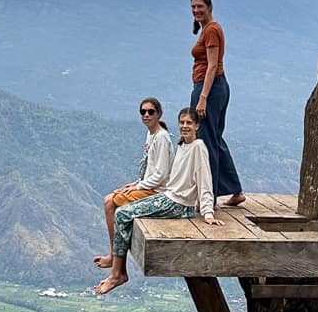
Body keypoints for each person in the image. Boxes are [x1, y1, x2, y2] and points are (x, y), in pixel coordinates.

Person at [95, 107, 223, 295]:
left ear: (197, 125)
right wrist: (140, 184)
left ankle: (117, 274)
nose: (185, 126)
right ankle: (117, 267)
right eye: (182, 122)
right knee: (124, 209)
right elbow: (175, 178)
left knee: (122, 214)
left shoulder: (198, 147)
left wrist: (207, 213)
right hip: (169, 197)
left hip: (178, 205)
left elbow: (205, 181)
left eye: (189, 123)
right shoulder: (183, 145)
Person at [93, 97, 174, 269]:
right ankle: (113, 254)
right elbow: (149, 169)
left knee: (110, 203)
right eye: (143, 112)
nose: (146, 115)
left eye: (150, 112)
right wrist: (136, 183)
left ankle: (114, 257)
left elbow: (161, 175)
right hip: (148, 186)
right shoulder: (151, 134)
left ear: (158, 114)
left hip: (157, 192)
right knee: (109, 199)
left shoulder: (161, 138)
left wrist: (138, 186)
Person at [189, 0, 245, 206]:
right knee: (215, 138)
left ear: (209, 7)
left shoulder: (212, 30)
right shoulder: (208, 29)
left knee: (206, 140)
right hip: (215, 88)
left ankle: (209, 197)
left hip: (209, 89)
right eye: (193, 7)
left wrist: (202, 97)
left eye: (199, 7)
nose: (196, 10)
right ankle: (235, 190)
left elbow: (212, 65)